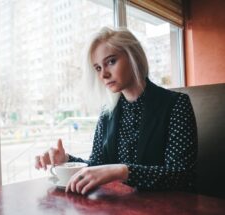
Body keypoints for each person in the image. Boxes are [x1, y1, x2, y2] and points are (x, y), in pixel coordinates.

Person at [34, 27, 198, 195]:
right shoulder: (107, 113)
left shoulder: (176, 104)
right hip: (119, 206)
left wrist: (122, 171)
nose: (103, 74)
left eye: (111, 61)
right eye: (97, 68)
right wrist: (66, 160)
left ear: (134, 57)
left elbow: (182, 175)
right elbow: (98, 166)